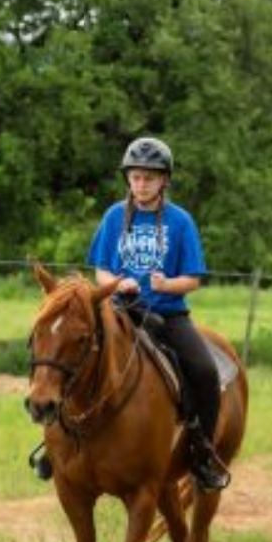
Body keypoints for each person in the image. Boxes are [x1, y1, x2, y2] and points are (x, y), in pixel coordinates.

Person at [50, 136, 231, 491]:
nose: (141, 184)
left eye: (149, 177)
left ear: (164, 180)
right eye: (135, 177)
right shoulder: (115, 216)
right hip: (118, 309)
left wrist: (166, 286)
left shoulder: (181, 222)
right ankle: (54, 444)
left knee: (205, 371)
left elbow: (193, 279)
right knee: (71, 356)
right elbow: (100, 270)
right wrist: (118, 284)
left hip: (168, 314)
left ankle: (202, 453)